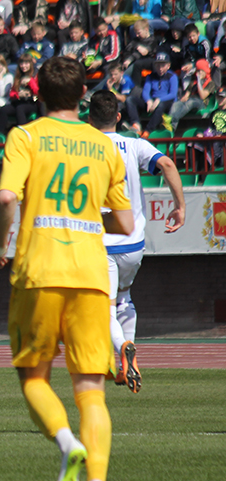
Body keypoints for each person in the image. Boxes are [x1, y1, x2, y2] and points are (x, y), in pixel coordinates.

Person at [0, 56, 134, 481]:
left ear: (38, 92)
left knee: (34, 378)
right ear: (82, 96)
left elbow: (6, 197)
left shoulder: (25, 136)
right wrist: (86, 217)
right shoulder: (104, 145)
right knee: (91, 391)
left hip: (40, 271)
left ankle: (68, 444)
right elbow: (124, 221)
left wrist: (0, 245)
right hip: (91, 275)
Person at [88, 89, 185, 394]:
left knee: (103, 307)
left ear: (90, 120)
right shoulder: (134, 144)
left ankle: (123, 346)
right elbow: (167, 165)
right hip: (133, 241)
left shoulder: (84, 147)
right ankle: (125, 366)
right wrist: (180, 207)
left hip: (101, 241)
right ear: (118, 117)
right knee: (124, 298)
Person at [124, 52, 179, 137]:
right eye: (158, 65)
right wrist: (148, 100)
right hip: (153, 101)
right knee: (130, 100)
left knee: (160, 105)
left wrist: (159, 100)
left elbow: (173, 94)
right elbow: (146, 91)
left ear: (168, 66)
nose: (160, 68)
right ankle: (136, 125)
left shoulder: (172, 76)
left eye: (163, 66)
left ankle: (147, 131)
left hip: (166, 102)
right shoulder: (150, 76)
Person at [165, 59, 215, 133]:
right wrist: (182, 100)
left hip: (202, 103)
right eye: (198, 70)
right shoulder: (193, 82)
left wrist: (199, 81)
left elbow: (203, 96)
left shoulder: (211, 83)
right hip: (190, 100)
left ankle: (174, 119)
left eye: (201, 70)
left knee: (190, 102)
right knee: (177, 103)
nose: (199, 73)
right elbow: (187, 94)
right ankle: (169, 123)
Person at [0, 54, 39, 134]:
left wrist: (30, 81)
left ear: (30, 64)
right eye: (21, 63)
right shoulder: (18, 76)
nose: (23, 66)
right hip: (19, 101)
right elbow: (12, 93)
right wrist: (18, 95)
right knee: (4, 109)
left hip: (32, 103)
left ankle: (23, 133)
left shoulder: (35, 75)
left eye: (26, 63)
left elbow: (37, 92)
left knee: (20, 108)